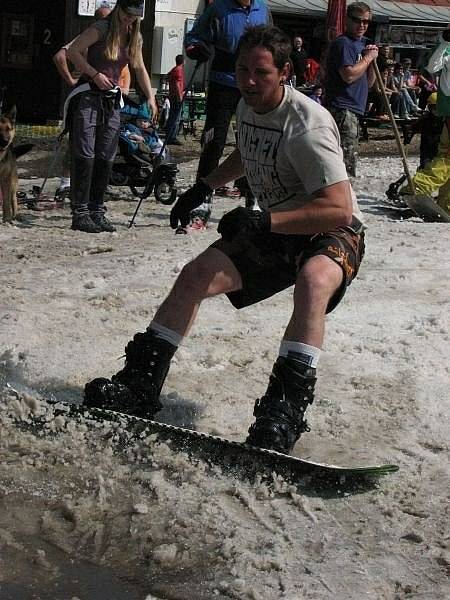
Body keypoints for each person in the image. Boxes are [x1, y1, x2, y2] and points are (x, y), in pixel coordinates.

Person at [83, 25, 366, 456]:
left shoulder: (308, 125)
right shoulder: (248, 104)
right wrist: (204, 187)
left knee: (312, 281)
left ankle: (283, 411)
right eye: (242, 69)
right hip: (274, 226)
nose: (248, 81)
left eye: (261, 72)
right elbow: (248, 152)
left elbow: (339, 209)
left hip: (330, 231)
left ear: (285, 72)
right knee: (195, 276)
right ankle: (139, 385)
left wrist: (262, 220)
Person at [66, 0, 158, 233]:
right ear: (119, 9)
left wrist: (150, 96)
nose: (129, 20)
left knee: (106, 153)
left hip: (112, 100)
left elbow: (139, 68)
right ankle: (80, 212)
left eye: (134, 16)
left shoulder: (133, 36)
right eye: (126, 14)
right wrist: (94, 73)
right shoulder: (102, 28)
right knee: (85, 151)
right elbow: (74, 50)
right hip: (89, 94)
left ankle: (97, 209)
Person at [183, 0, 271, 223]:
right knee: (214, 140)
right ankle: (202, 199)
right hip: (224, 82)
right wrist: (195, 48)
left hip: (253, 84)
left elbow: (272, 42)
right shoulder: (219, 8)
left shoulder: (262, 9)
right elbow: (194, 37)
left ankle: (254, 199)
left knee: (254, 141)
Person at [52, 7, 130, 200]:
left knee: (99, 144)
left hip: (106, 92)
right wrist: (71, 79)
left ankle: (91, 189)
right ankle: (67, 183)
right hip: (87, 89)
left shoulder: (118, 36)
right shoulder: (93, 34)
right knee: (81, 142)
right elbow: (60, 56)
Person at [324, 2, 378, 177]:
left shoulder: (361, 45)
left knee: (349, 159)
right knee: (344, 163)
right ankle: (342, 200)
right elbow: (348, 75)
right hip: (341, 108)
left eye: (366, 22)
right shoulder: (344, 43)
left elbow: (369, 83)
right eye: (357, 20)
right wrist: (368, 59)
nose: (362, 25)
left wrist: (372, 62)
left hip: (353, 109)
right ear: (347, 20)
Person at [401, 28, 450, 218]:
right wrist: (446, 42)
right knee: (447, 158)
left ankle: (446, 206)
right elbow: (431, 67)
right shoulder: (446, 50)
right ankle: (417, 187)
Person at [164, 54, 185, 146]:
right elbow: (177, 83)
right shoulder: (179, 70)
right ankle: (172, 137)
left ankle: (169, 135)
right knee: (176, 117)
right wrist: (179, 96)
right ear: (183, 61)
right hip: (176, 97)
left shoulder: (174, 69)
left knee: (172, 116)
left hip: (173, 95)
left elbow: (168, 75)